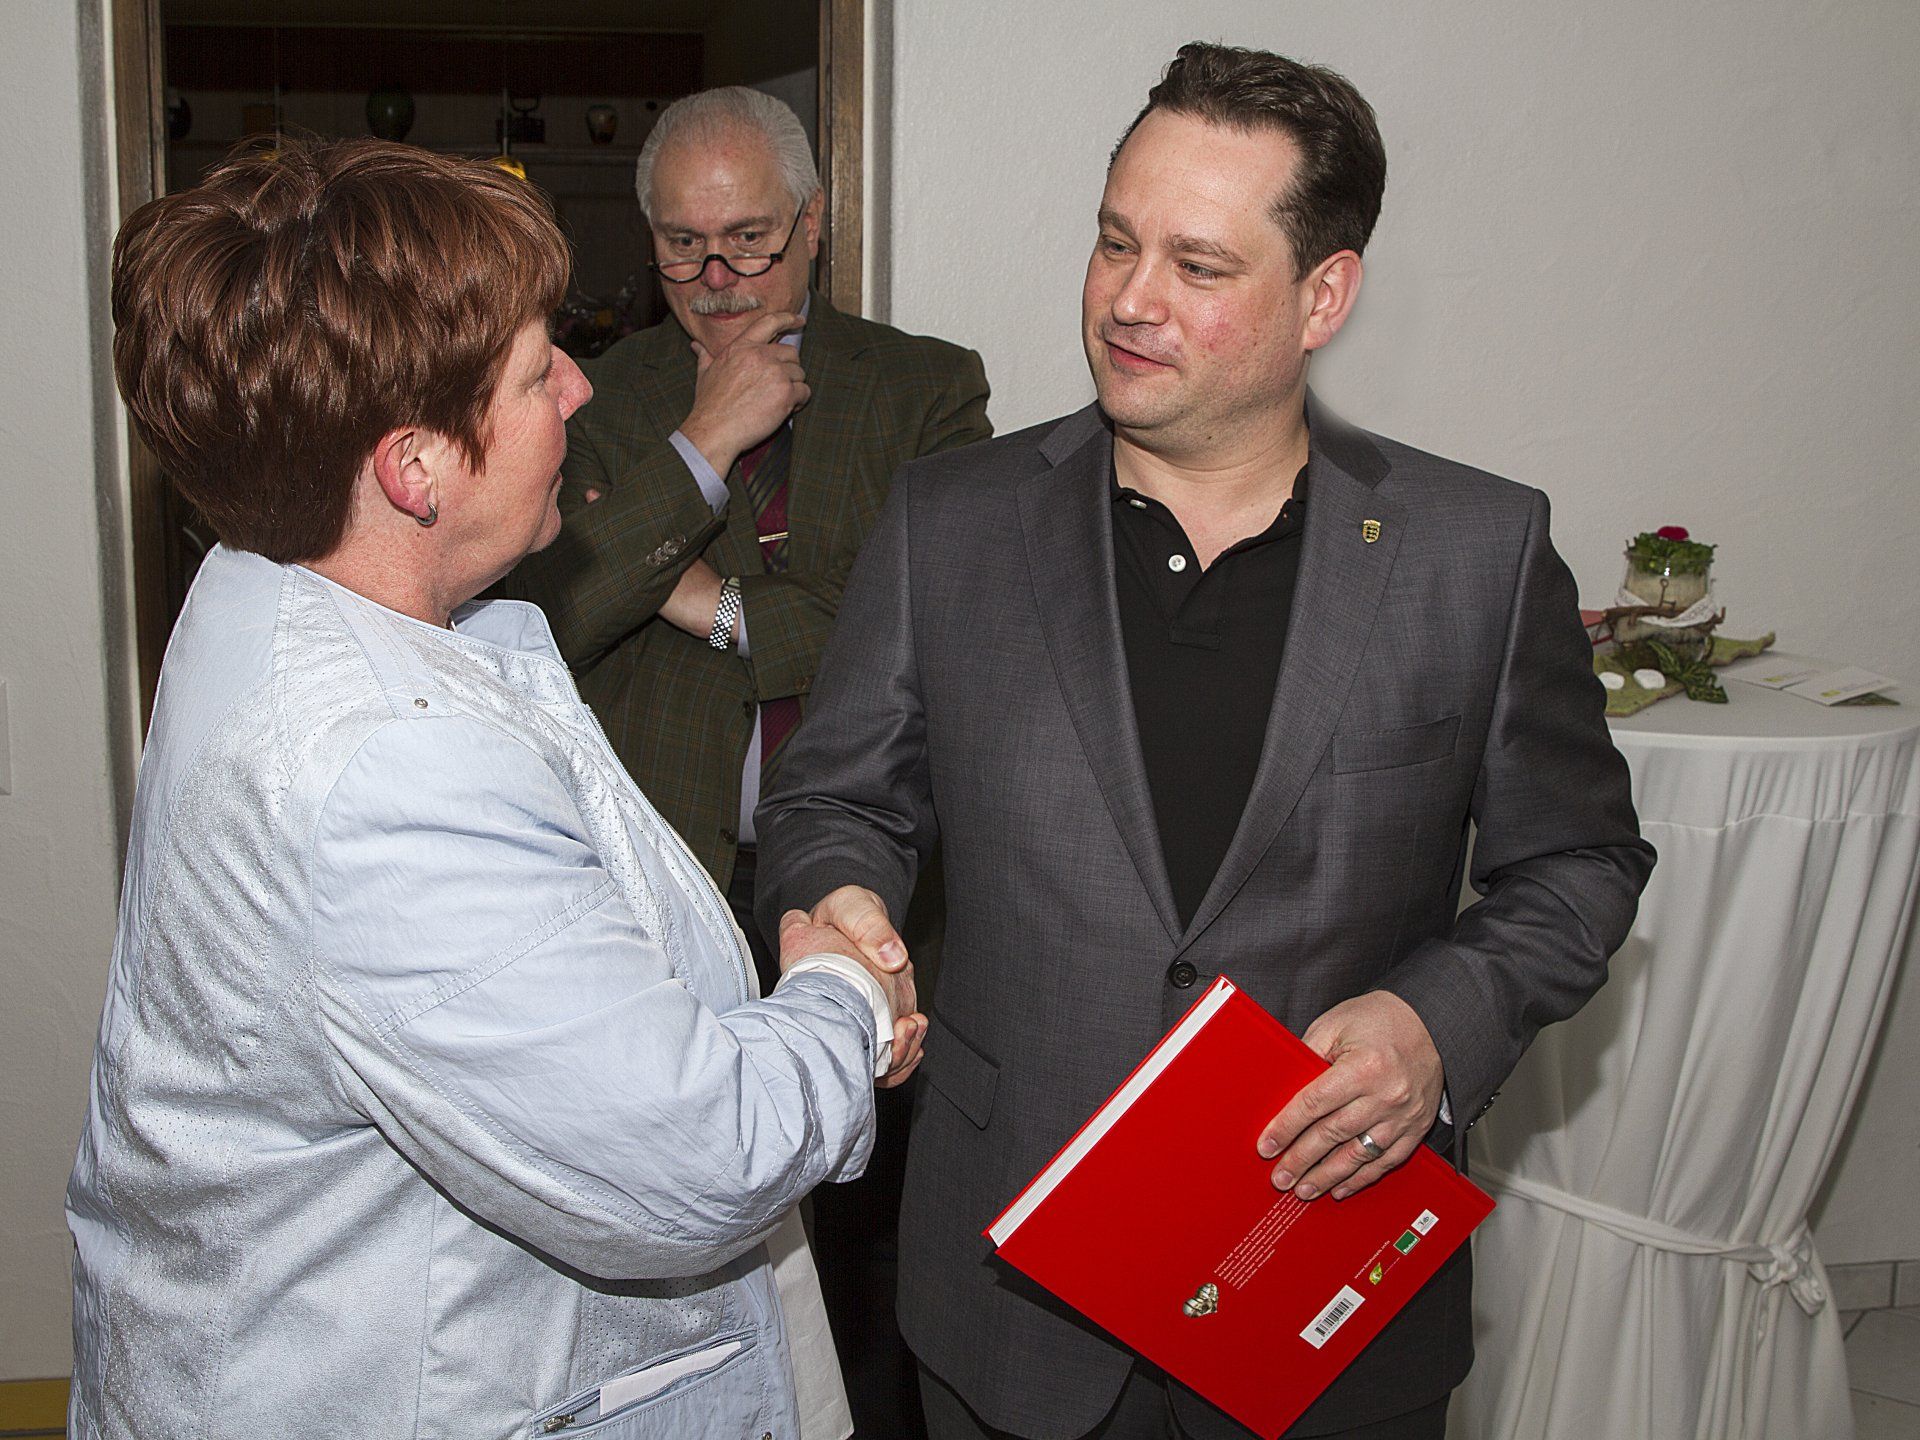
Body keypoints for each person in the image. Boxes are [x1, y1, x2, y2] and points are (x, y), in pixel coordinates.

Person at [756, 43, 1655, 1440]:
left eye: (1199, 265)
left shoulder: (1474, 554)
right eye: (1116, 242)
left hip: (1320, 1293)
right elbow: (836, 797)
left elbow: (1582, 864)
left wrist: (1440, 1022)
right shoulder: (954, 522)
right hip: (1013, 1288)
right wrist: (840, 895)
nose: (1130, 300)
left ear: (1325, 296)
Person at [65, 136, 925, 1440]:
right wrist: (845, 994)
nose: (579, 387)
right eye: (535, 373)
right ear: (414, 467)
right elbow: (705, 1152)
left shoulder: (279, 576)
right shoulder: (384, 780)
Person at [500, 84, 991, 1433]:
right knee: (694, 1274)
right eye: (679, 248)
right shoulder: (591, 393)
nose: (714, 282)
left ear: (816, 226)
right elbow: (540, 614)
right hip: (658, 907)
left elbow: (938, 642)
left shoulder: (924, 387)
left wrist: (697, 594)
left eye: (750, 243)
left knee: (873, 1267)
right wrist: (704, 443)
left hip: (879, 904)